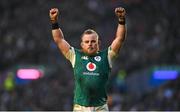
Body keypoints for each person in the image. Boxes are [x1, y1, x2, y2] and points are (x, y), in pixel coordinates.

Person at [49, 7, 126, 111]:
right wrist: (54, 21)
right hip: (80, 108)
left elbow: (120, 39)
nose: (90, 44)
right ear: (82, 44)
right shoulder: (75, 55)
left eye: (93, 41)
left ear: (98, 43)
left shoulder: (106, 56)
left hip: (100, 108)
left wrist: (121, 20)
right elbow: (59, 39)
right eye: (87, 42)